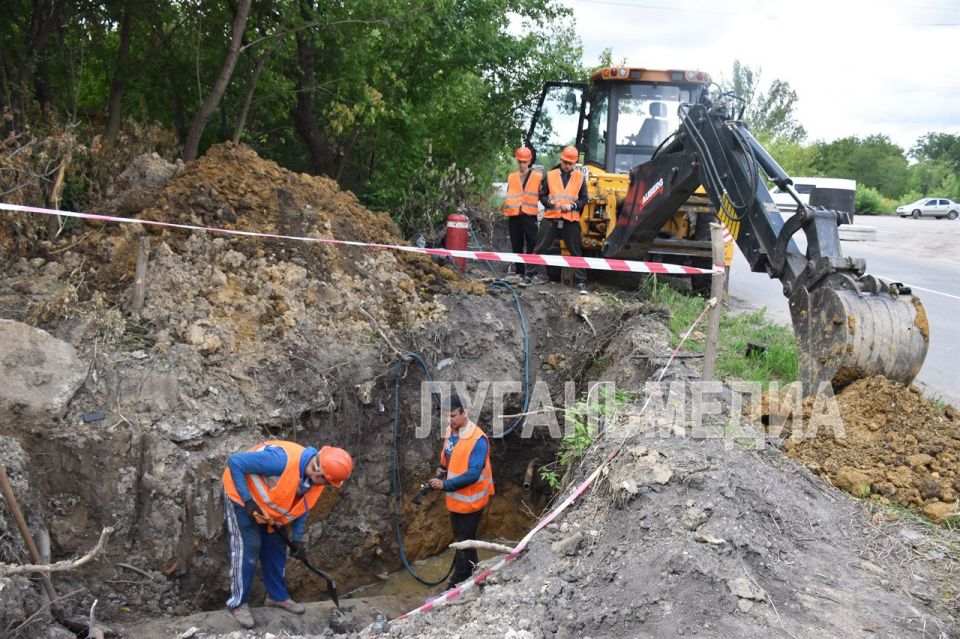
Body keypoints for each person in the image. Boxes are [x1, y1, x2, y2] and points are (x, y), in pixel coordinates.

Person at [222, 441, 353, 629]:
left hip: (271, 507)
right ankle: (238, 604)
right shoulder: (280, 461)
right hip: (242, 498)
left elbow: (303, 507)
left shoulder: (316, 477)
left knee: (276, 546)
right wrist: (248, 500)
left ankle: (277, 597)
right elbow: (235, 462)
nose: (328, 486)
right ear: (319, 474)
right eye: (328, 482)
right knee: (248, 549)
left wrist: (297, 539)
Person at [428, 394, 494, 591]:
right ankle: (474, 572)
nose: (450, 420)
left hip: (472, 502)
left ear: (465, 413)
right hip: (456, 501)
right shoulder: (451, 430)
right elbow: (448, 455)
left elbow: (473, 474)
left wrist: (444, 486)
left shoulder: (478, 440)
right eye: (447, 416)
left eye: (454, 416)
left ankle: (456, 583)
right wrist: (441, 469)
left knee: (464, 540)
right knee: (463, 538)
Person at [530, 145, 588, 291]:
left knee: (576, 251)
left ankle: (581, 281)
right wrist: (549, 202)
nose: (567, 165)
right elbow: (542, 196)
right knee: (539, 247)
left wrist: (573, 206)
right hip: (551, 218)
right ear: (561, 160)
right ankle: (529, 274)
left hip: (570, 220)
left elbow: (584, 199)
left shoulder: (580, 178)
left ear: (575, 163)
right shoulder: (551, 175)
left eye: (570, 163)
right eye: (565, 162)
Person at [502, 146, 542, 281]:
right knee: (516, 244)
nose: (522, 164)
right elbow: (510, 194)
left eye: (524, 161)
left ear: (529, 161)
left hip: (529, 215)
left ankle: (531, 272)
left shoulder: (537, 177)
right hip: (514, 216)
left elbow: (543, 194)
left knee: (533, 243)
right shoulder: (512, 177)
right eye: (519, 161)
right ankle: (520, 271)